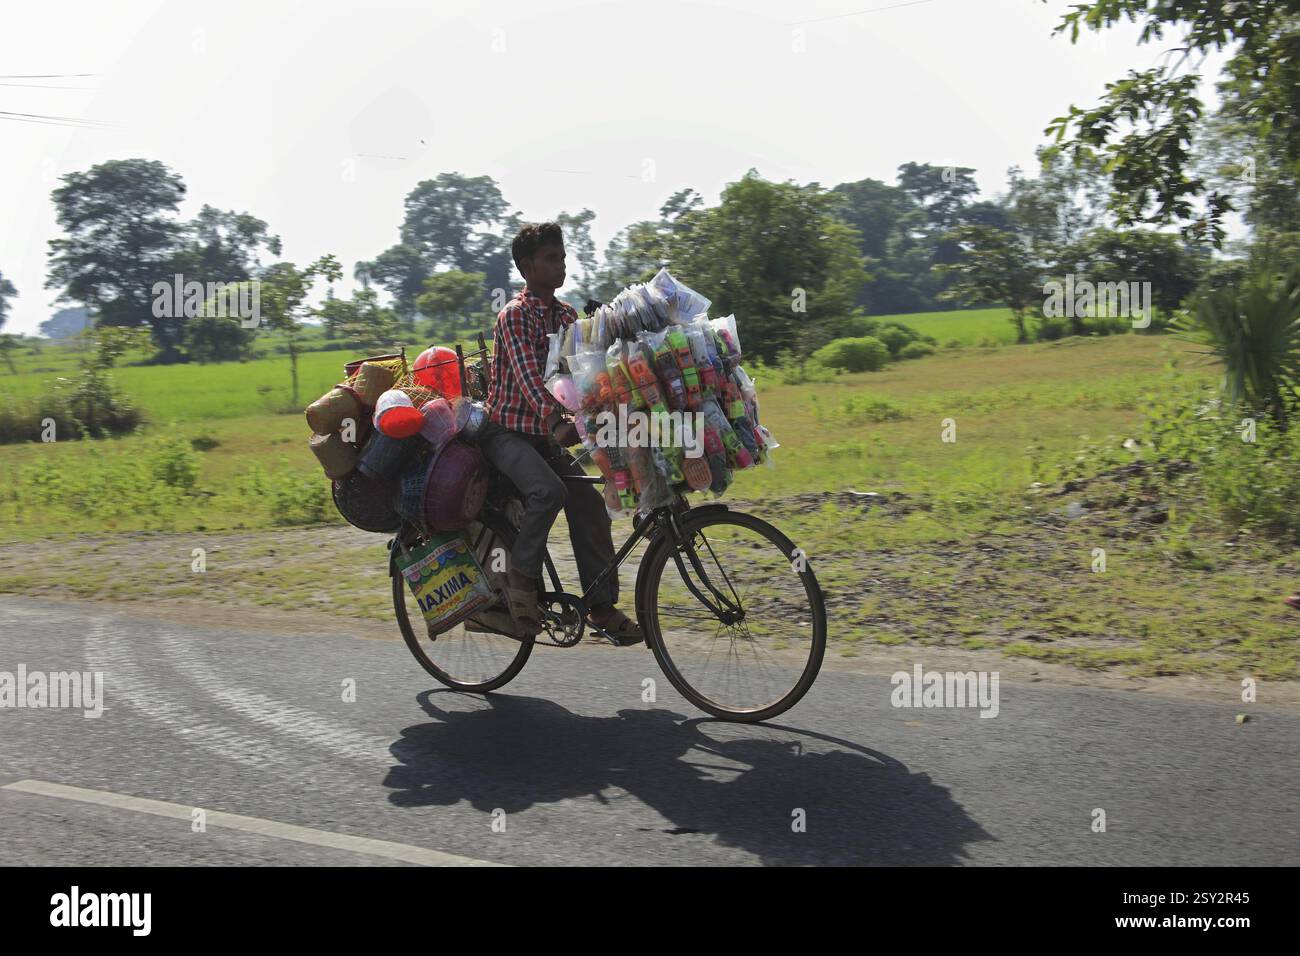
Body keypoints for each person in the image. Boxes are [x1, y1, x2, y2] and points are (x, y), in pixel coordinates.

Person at [475, 221, 644, 644]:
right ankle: (521, 578)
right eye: (552, 259)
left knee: (589, 500)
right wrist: (554, 420)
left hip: (545, 435)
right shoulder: (514, 316)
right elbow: (530, 379)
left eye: (563, 257)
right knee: (548, 491)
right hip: (506, 432)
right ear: (527, 266)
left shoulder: (566, 315)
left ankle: (601, 606)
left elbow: (581, 371)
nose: (561, 265)